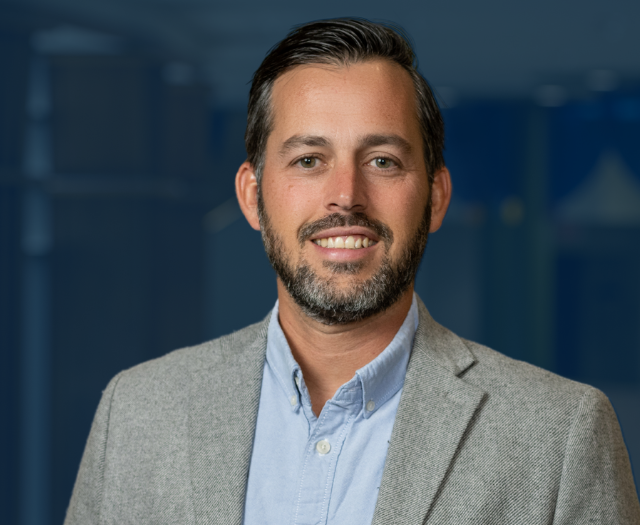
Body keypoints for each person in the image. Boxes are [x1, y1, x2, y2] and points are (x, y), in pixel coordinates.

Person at [65, 18, 640, 524]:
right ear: (252, 196)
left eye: (382, 161)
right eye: (309, 160)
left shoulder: (560, 434)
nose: (346, 196)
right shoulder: (138, 412)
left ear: (436, 197)